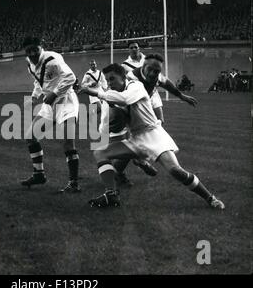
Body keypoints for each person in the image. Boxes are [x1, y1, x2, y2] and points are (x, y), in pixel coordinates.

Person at [80, 63, 225, 210]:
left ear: (123, 77)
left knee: (175, 171)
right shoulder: (113, 94)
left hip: (154, 135)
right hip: (136, 139)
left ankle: (210, 198)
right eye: (107, 80)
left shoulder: (135, 86)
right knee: (100, 152)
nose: (109, 83)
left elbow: (124, 99)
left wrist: (95, 92)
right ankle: (111, 195)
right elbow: (114, 120)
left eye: (112, 79)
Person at [20, 36, 80, 193]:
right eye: (29, 51)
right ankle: (39, 174)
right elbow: (39, 81)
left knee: (67, 142)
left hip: (66, 101)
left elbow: (71, 77)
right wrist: (34, 96)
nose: (32, 53)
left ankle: (73, 183)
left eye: (35, 50)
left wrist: (54, 93)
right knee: (30, 136)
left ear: (41, 47)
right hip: (49, 105)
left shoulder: (53, 59)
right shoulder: (29, 63)